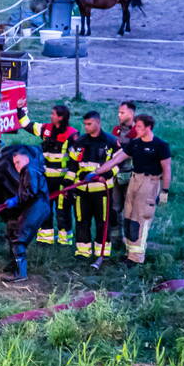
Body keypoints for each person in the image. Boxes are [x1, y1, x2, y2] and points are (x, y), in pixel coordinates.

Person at [85, 114, 172, 265]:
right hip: (134, 179)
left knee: (141, 218)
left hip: (150, 182)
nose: (135, 129)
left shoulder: (160, 145)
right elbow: (116, 160)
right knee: (129, 216)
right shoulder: (135, 144)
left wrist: (165, 191)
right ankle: (129, 253)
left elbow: (167, 169)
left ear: (148, 127)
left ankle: (137, 258)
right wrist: (97, 172)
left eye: (139, 126)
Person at [18, 104, 78, 245]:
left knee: (63, 211)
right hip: (45, 179)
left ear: (61, 118)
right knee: (45, 208)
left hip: (63, 180)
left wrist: (68, 182)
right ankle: (46, 239)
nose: (51, 116)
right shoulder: (46, 129)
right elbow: (26, 125)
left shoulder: (72, 135)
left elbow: (75, 161)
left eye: (53, 114)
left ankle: (65, 241)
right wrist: (19, 110)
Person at [67, 111, 119, 261]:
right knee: (81, 221)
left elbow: (117, 165)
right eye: (85, 124)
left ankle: (102, 252)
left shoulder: (111, 142)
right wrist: (68, 184)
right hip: (82, 190)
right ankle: (83, 252)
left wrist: (106, 176)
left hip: (102, 191)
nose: (86, 127)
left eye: (89, 124)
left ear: (98, 123)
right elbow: (72, 165)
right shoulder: (80, 142)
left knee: (102, 222)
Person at [1, 146, 52, 283]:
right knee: (12, 229)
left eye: (18, 162)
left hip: (38, 206)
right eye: (14, 163)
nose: (16, 166)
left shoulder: (30, 170)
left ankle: (21, 273)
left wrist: (16, 200)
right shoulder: (28, 170)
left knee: (19, 237)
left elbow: (31, 192)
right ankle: (15, 265)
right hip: (37, 205)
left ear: (26, 159)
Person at [110, 101, 138, 232]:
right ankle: (115, 240)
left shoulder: (138, 131)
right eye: (118, 112)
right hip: (116, 174)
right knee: (114, 209)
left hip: (132, 175)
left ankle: (130, 240)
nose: (118, 115)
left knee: (131, 210)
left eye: (122, 112)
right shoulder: (116, 130)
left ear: (131, 113)